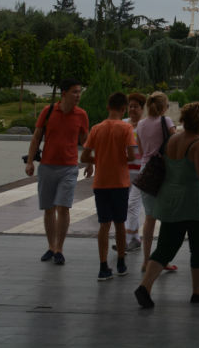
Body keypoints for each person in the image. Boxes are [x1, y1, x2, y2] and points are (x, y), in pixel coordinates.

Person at [134, 102, 199, 308]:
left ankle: (145, 286)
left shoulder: (173, 139)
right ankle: (198, 291)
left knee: (165, 246)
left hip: (171, 201)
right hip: (196, 202)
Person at [24, 78, 92, 265]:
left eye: (79, 92)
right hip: (47, 166)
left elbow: (85, 140)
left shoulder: (81, 115)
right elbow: (36, 137)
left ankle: (59, 249)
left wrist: (90, 162)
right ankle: (51, 246)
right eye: (74, 92)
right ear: (64, 93)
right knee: (48, 209)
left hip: (69, 168)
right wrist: (30, 162)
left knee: (63, 207)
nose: (78, 95)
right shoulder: (48, 111)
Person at [80, 91, 139, 280]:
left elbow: (84, 156)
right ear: (123, 109)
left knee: (104, 225)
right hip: (120, 182)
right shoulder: (126, 128)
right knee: (120, 223)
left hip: (101, 182)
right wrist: (118, 157)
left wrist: (99, 159)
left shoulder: (97, 128)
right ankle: (121, 263)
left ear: (108, 107)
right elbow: (131, 155)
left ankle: (103, 266)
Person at [136, 92, 177, 271]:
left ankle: (146, 260)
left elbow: (140, 149)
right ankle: (161, 259)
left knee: (149, 218)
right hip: (163, 171)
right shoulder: (166, 121)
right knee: (166, 218)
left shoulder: (140, 124)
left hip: (146, 170)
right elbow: (175, 144)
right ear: (163, 107)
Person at [121, 91, 146, 251]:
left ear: (142, 109)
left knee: (133, 204)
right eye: (130, 106)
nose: (132, 109)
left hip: (141, 171)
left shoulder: (145, 126)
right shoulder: (123, 124)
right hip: (124, 171)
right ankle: (135, 238)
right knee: (127, 205)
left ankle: (127, 239)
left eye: (136, 107)